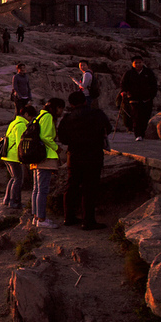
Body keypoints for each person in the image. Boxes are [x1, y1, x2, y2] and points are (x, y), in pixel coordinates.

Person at [58, 91, 112, 230]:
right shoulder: (97, 114)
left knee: (72, 186)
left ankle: (68, 217)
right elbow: (108, 129)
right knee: (90, 188)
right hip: (93, 155)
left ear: (71, 104)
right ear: (85, 101)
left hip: (74, 155)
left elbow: (62, 138)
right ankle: (88, 221)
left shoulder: (67, 118)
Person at [30, 98, 66, 229]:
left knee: (37, 189)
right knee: (43, 190)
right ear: (55, 107)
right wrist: (57, 148)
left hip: (36, 157)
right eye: (61, 108)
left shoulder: (39, 116)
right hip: (45, 157)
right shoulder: (48, 117)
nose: (61, 111)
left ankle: (36, 217)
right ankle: (41, 219)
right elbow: (45, 137)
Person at [1, 105, 37, 209]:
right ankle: (14, 202)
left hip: (7, 155)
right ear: (26, 114)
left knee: (13, 178)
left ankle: (7, 199)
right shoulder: (21, 125)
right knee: (18, 179)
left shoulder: (14, 122)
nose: (31, 119)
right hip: (14, 157)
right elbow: (20, 144)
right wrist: (24, 157)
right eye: (31, 116)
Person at [120, 55, 159, 141]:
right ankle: (138, 134)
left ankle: (143, 133)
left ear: (143, 62)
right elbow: (123, 84)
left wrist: (152, 95)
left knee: (145, 117)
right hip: (134, 99)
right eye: (136, 63)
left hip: (147, 99)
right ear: (132, 64)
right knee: (136, 117)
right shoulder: (129, 73)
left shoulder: (148, 72)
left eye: (139, 62)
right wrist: (124, 91)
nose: (138, 64)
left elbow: (154, 85)